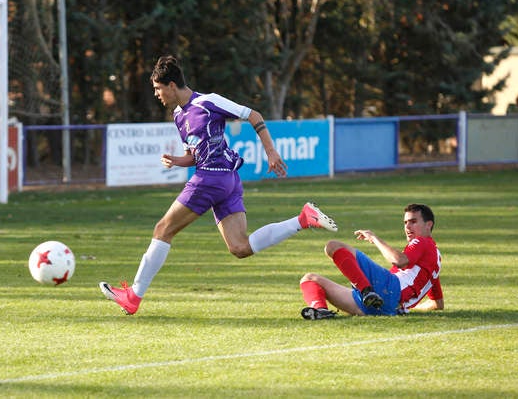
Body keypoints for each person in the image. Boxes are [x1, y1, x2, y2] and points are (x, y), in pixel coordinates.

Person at [99, 55, 338, 315]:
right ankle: (303, 219)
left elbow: (253, 115)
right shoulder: (179, 116)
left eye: (158, 88)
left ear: (170, 85)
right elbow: (194, 155)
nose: (156, 94)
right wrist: (177, 161)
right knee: (240, 248)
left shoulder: (207, 101)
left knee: (162, 230)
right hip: (226, 181)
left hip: (211, 178)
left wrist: (271, 152)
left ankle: (133, 295)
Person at [299, 203, 443, 320]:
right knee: (310, 279)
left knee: (333, 246)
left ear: (428, 225)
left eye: (413, 222)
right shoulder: (433, 262)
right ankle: (320, 310)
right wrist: (407, 308)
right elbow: (437, 303)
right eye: (405, 223)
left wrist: (374, 238)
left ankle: (366, 291)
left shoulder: (423, 242)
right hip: (385, 306)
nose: (407, 227)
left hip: (389, 289)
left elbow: (399, 260)